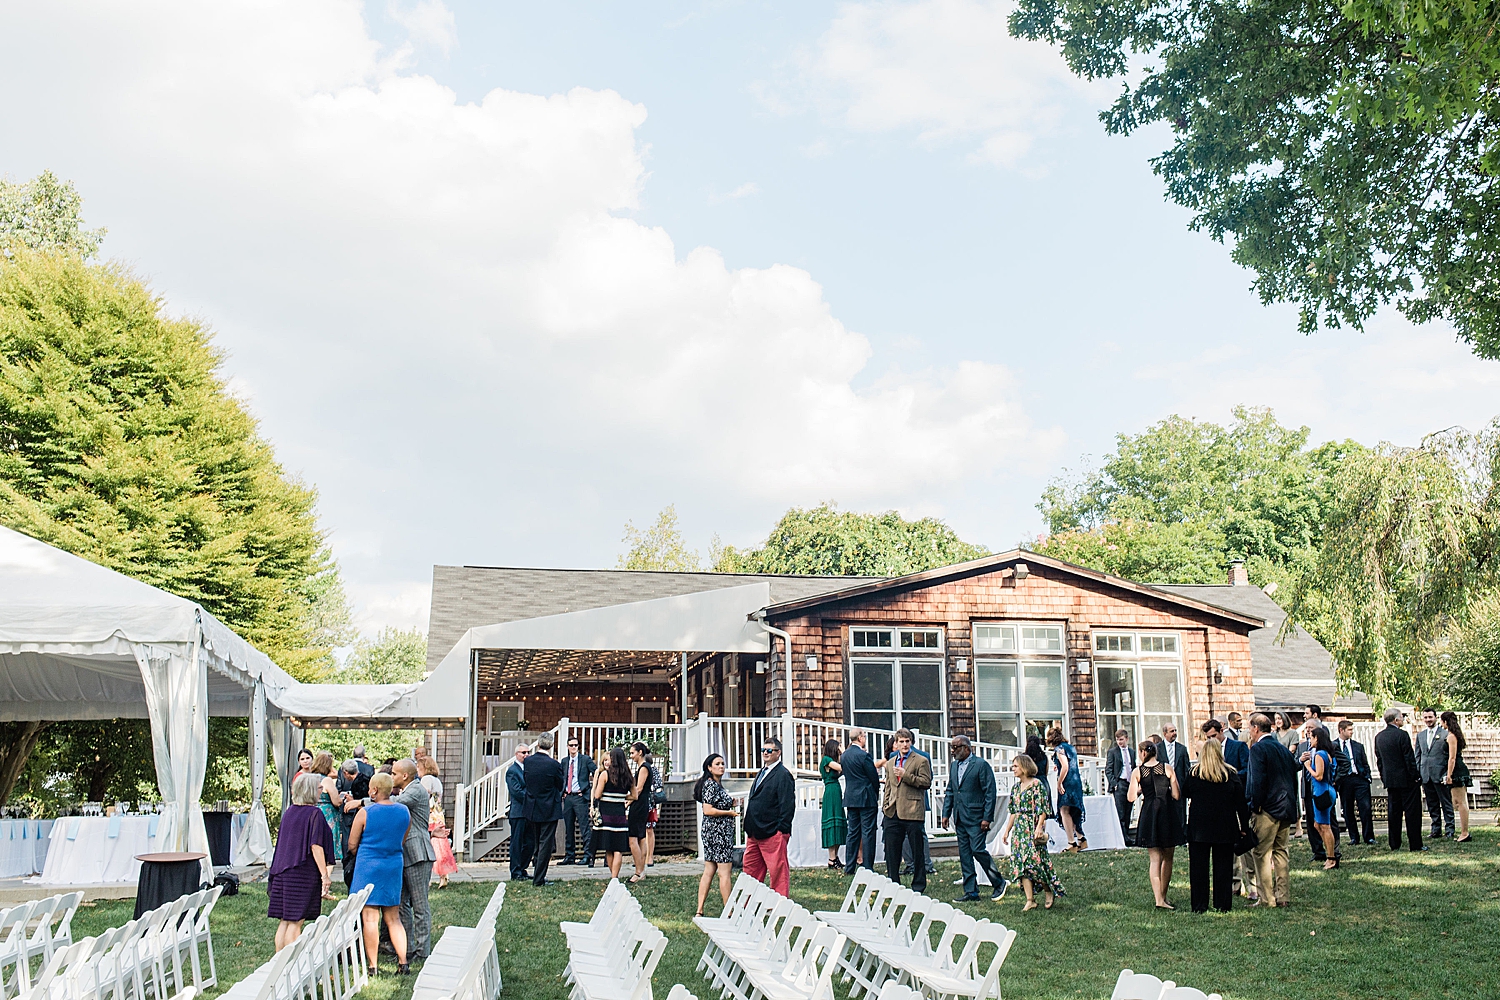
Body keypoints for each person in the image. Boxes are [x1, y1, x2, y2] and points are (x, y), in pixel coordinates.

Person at [347, 771, 411, 975]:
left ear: (374, 790)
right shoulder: (404, 811)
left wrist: (363, 852)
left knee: (370, 918)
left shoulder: (365, 812)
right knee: (394, 918)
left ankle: (373, 966)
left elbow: (351, 844)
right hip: (393, 865)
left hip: (368, 866)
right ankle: (403, 963)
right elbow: (402, 839)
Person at [268, 773, 335, 951]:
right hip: (302, 874)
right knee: (296, 923)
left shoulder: (289, 812)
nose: (322, 790)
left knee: (285, 921)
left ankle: (278, 965)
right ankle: (291, 966)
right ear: (312, 791)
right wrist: (325, 876)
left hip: (283, 872)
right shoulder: (314, 814)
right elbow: (316, 846)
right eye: (320, 787)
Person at [1185, 737, 1250, 913]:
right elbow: (1241, 804)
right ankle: (1222, 904)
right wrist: (1244, 826)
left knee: (1198, 868)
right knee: (1223, 867)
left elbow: (1185, 793)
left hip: (1199, 827)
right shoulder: (1230, 774)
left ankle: (1199, 905)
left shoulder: (1194, 774)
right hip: (1225, 827)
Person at [941, 735, 1006, 902]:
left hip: (977, 818)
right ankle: (971, 891)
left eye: (955, 747)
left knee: (977, 849)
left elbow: (990, 793)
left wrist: (987, 817)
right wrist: (946, 813)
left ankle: (999, 882)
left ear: (967, 748)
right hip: (960, 817)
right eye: (952, 747)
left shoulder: (980, 765)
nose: (952, 751)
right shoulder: (954, 766)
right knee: (964, 854)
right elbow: (951, 790)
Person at [1245, 712, 1299, 907]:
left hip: (1267, 808)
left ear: (1256, 729)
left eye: (1250, 728)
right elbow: (1293, 779)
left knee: (1261, 852)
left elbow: (1257, 780)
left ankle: (1267, 898)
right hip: (1286, 806)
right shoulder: (1283, 749)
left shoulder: (1258, 749)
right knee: (1281, 852)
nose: (1249, 732)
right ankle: (1283, 896)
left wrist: (1255, 804)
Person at [998, 754, 1060, 911]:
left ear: (1024, 767)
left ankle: (1047, 891)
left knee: (1036, 862)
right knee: (1021, 864)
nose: (1013, 769)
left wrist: (1039, 827)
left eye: (1015, 766)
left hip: (1031, 826)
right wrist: (1007, 830)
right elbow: (1013, 811)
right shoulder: (1016, 787)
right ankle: (1030, 899)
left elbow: (1043, 808)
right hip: (1019, 829)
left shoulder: (1037, 784)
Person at [391, 758, 436, 961]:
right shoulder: (409, 789)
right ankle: (406, 948)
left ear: (405, 776)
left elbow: (392, 804)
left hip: (418, 853)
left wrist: (365, 800)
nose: (392, 777)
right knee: (401, 903)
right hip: (407, 853)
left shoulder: (415, 790)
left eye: (393, 774)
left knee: (419, 905)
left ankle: (422, 951)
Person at [1203, 719, 1253, 900]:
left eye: (1214, 736)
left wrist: (1228, 776)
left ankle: (1252, 885)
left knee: (1245, 847)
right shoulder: (1208, 752)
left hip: (1237, 798)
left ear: (1221, 730)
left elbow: (1247, 769)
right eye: (1208, 737)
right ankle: (1234, 884)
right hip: (1221, 807)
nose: (1212, 740)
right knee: (1227, 849)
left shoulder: (1238, 747)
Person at [1129, 740, 1182, 909]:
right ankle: (1163, 896)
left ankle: (1158, 899)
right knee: (1168, 856)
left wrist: (1140, 789)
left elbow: (1130, 798)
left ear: (1143, 753)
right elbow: (1176, 795)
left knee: (1154, 859)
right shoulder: (1167, 768)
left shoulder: (1138, 772)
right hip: (1166, 812)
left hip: (1149, 813)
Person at [743, 737, 796, 896]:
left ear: (778, 753)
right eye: (763, 750)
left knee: (777, 872)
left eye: (769, 750)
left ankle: (779, 905)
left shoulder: (783, 775)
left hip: (772, 832)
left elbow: (787, 804)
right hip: (754, 831)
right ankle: (747, 903)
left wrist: (781, 829)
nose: (765, 753)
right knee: (750, 870)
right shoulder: (762, 772)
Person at [882, 729, 931, 894]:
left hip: (912, 811)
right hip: (893, 811)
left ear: (911, 742)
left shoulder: (921, 761)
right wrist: (885, 805)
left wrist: (906, 775)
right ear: (896, 743)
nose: (904, 744)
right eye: (901, 741)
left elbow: (926, 782)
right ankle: (893, 883)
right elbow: (889, 786)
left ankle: (918, 885)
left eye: (907, 741)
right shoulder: (890, 762)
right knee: (892, 850)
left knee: (917, 851)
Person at [693, 754, 738, 916]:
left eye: (723, 763)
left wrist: (731, 802)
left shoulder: (717, 785)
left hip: (713, 832)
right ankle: (729, 910)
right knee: (724, 872)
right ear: (709, 768)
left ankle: (700, 910)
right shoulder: (711, 785)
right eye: (717, 764)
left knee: (710, 869)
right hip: (718, 832)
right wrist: (729, 812)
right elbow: (708, 810)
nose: (721, 766)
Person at [1374, 707, 1424, 852]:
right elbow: (1409, 758)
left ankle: (1394, 843)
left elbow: (1380, 761)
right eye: (1401, 717)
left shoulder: (1379, 737)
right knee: (1412, 813)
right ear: (1396, 720)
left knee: (1394, 813)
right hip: (1407, 780)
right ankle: (1415, 844)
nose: (1403, 719)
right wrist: (1415, 776)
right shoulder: (1402, 735)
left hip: (1391, 781)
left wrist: (1385, 777)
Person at [1296, 717, 1341, 862]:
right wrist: (1302, 761)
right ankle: (1321, 851)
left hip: (1322, 791)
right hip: (1312, 790)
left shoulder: (1321, 754)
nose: (1308, 734)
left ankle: (1332, 856)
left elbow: (1319, 776)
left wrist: (1308, 766)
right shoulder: (1305, 748)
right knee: (1316, 824)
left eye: (1311, 731)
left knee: (1326, 825)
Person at [523, 733, 565, 886]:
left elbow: (526, 780)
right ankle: (539, 878)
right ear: (551, 745)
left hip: (532, 807)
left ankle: (536, 872)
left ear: (538, 744)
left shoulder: (528, 762)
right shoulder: (554, 764)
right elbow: (560, 785)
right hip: (549, 808)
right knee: (545, 845)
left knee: (536, 842)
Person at [840, 728, 881, 874]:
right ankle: (868, 866)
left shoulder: (844, 755)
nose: (865, 738)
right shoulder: (864, 756)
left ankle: (849, 867)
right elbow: (873, 777)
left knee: (852, 832)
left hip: (851, 797)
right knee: (868, 832)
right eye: (864, 736)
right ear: (859, 738)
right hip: (866, 797)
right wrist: (875, 793)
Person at [592, 747, 635, 879]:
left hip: (606, 814)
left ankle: (613, 877)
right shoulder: (628, 776)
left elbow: (597, 794)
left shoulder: (605, 774)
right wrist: (621, 797)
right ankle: (614, 877)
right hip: (620, 815)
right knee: (618, 849)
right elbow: (635, 795)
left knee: (608, 847)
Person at [1334, 720, 1375, 845]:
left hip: (1359, 778)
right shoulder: (1333, 745)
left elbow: (1364, 762)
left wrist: (1367, 777)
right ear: (1341, 730)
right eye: (1349, 730)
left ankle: (1369, 837)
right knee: (1347, 809)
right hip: (1344, 780)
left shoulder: (1358, 746)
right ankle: (1354, 837)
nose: (1352, 732)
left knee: (1365, 808)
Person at [419, 757, 457, 889]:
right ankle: (444, 874)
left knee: (428, 845)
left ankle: (427, 878)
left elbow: (423, 796)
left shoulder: (426, 779)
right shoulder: (437, 781)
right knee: (441, 845)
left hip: (429, 815)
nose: (418, 770)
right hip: (438, 814)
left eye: (419, 767)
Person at [1416, 709, 1455, 839]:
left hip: (1440, 774)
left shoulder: (1445, 734)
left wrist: (1448, 774)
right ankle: (1435, 829)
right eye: (1425, 717)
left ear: (1436, 717)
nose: (1428, 720)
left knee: (1446, 803)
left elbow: (1450, 756)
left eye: (1430, 717)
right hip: (1426, 775)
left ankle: (1449, 829)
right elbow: (1418, 756)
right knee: (1432, 804)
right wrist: (1418, 772)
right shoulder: (1420, 735)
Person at [1047, 727, 1087, 852]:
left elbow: (1065, 766)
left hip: (1067, 782)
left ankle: (1071, 842)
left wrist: (1059, 783)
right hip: (1076, 782)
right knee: (1073, 810)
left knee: (1064, 810)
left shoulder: (1059, 749)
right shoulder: (1070, 747)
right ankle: (1081, 838)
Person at [558, 735, 596, 866]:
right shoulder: (564, 761)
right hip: (568, 796)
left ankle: (587, 855)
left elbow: (596, 772)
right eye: (571, 745)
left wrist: (587, 789)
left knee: (584, 826)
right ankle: (570, 855)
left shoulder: (585, 759)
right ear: (567, 747)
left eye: (576, 745)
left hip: (580, 797)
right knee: (568, 827)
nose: (574, 748)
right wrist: (562, 792)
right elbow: (561, 777)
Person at [1439, 712, 1472, 842]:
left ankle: (1465, 832)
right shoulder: (1452, 735)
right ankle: (1464, 831)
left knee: (1460, 802)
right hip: (1456, 769)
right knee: (1457, 802)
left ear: (1446, 722)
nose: (1441, 724)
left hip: (1456, 770)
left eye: (1442, 721)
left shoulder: (1452, 737)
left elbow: (1452, 758)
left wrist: (1449, 775)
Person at [337, 759, 369, 890]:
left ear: (345, 773)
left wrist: (352, 800)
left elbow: (363, 802)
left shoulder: (358, 783)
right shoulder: (366, 778)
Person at [311, 751, 345, 870]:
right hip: (327, 814)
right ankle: (325, 880)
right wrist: (342, 798)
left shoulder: (308, 778)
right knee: (328, 847)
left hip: (311, 811)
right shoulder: (327, 780)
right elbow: (336, 801)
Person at [626, 742, 653, 884]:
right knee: (641, 837)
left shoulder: (644, 767)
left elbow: (639, 788)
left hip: (639, 805)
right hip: (642, 804)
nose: (631, 756)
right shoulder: (644, 767)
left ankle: (638, 871)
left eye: (632, 753)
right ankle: (642, 871)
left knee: (633, 838)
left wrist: (628, 801)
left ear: (640, 752)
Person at [505, 744, 533, 881]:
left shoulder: (530, 769)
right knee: (517, 843)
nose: (526, 755)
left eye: (528, 752)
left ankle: (523, 868)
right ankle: (515, 871)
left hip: (530, 813)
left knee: (530, 842)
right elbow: (516, 791)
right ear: (517, 754)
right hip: (518, 812)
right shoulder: (512, 771)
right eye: (523, 752)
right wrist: (531, 798)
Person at [1105, 730, 1137, 846]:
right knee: (1120, 812)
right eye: (1118, 740)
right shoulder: (1113, 752)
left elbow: (1133, 767)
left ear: (1127, 739)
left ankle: (1127, 835)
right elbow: (1108, 769)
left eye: (1122, 739)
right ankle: (1122, 837)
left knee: (1129, 810)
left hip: (1130, 783)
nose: (1120, 742)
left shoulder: (1132, 752)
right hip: (1120, 783)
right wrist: (1115, 784)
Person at [1157, 723, 1191, 830]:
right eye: (1172, 731)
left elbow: (1186, 769)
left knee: (1180, 812)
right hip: (1163, 786)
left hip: (1179, 786)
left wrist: (1186, 786)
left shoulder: (1182, 749)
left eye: (1175, 730)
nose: (1175, 733)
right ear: (1165, 733)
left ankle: (1180, 835)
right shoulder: (1158, 749)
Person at [820, 738, 847, 868]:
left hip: (836, 791)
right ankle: (831, 859)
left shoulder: (833, 761)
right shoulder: (826, 760)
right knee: (832, 822)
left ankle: (835, 857)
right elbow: (843, 767)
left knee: (838, 823)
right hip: (830, 792)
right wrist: (845, 753)